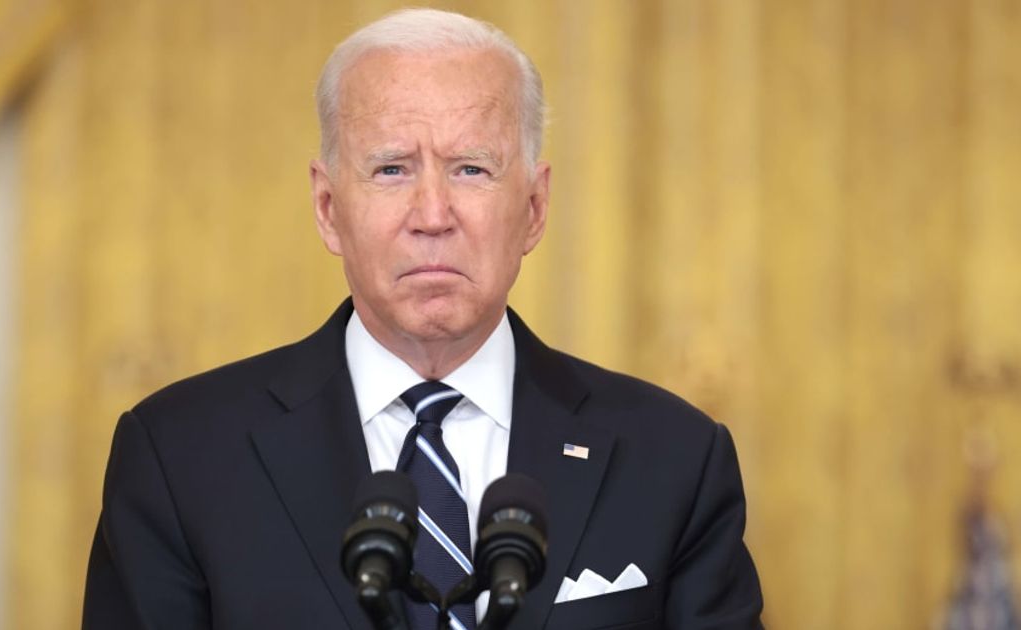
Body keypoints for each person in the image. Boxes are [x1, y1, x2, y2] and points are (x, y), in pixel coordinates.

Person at [83, 8, 763, 630]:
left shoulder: (673, 459)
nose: (433, 215)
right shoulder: (179, 458)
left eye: (471, 169)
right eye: (391, 170)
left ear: (533, 208)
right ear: (327, 208)